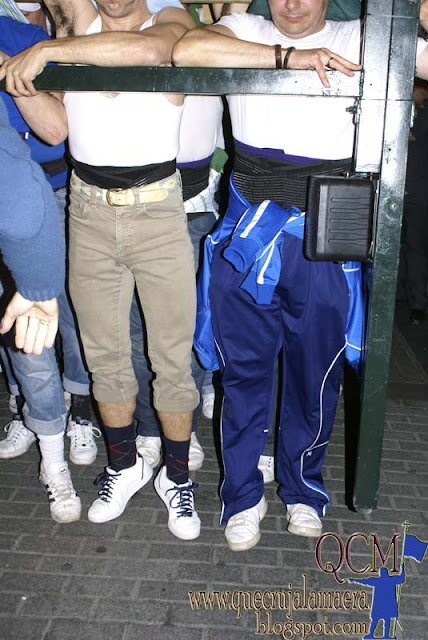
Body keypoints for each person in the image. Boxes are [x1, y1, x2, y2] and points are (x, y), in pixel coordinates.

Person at [172, 0, 428, 551]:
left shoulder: (359, 35)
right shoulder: (246, 28)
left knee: (316, 378)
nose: (291, 4)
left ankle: (303, 490)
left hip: (325, 242)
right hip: (248, 238)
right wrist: (288, 58)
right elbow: (187, 48)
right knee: (243, 378)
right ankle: (242, 495)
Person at [0, 0, 202, 539]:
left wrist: (47, 49)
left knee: (171, 358)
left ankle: (176, 477)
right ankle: (124, 466)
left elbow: (149, 52)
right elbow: (54, 130)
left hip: (158, 210)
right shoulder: (79, 21)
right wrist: (19, 67)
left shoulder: (170, 19)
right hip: (86, 211)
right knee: (103, 356)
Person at [0, 12, 98, 471]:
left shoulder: (26, 37)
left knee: (67, 309)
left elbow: (55, 129)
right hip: (11, 194)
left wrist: (7, 66)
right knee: (16, 318)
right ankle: (40, 419)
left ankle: (80, 408)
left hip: (52, 188)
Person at [0, 93, 82, 523]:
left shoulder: (28, 54)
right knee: (26, 341)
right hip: (21, 199)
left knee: (56, 325)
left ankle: (72, 427)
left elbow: (51, 132)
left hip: (54, 191)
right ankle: (50, 453)